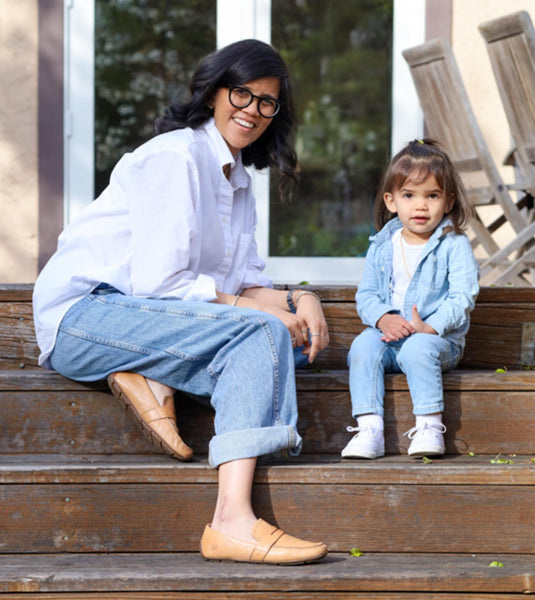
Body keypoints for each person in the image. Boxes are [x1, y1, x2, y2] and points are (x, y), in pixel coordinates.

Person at [33, 39, 329, 564]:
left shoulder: (237, 181)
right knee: (260, 334)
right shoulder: (175, 156)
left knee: (265, 343)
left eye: (268, 102)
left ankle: (148, 371)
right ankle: (233, 521)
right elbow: (160, 282)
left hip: (146, 322)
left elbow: (241, 281)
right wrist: (258, 312)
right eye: (242, 93)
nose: (253, 111)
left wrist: (300, 298)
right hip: (86, 317)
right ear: (214, 92)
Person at [341, 139, 479, 460]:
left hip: (438, 342)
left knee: (417, 348)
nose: (421, 206)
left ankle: (430, 426)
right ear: (391, 201)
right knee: (362, 346)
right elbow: (368, 294)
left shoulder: (453, 244)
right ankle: (369, 429)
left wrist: (431, 327)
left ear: (448, 202)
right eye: (409, 195)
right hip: (391, 337)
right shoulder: (382, 244)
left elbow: (463, 296)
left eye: (432, 195)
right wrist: (383, 318)